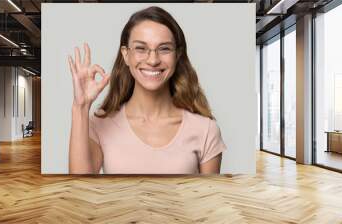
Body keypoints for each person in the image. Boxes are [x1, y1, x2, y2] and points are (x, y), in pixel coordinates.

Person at [68, 6, 226, 174]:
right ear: (126, 55)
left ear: (177, 55)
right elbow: (80, 190)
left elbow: (207, 198)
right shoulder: (100, 124)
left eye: (164, 48)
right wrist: (81, 107)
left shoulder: (205, 129)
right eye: (141, 48)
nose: (153, 60)